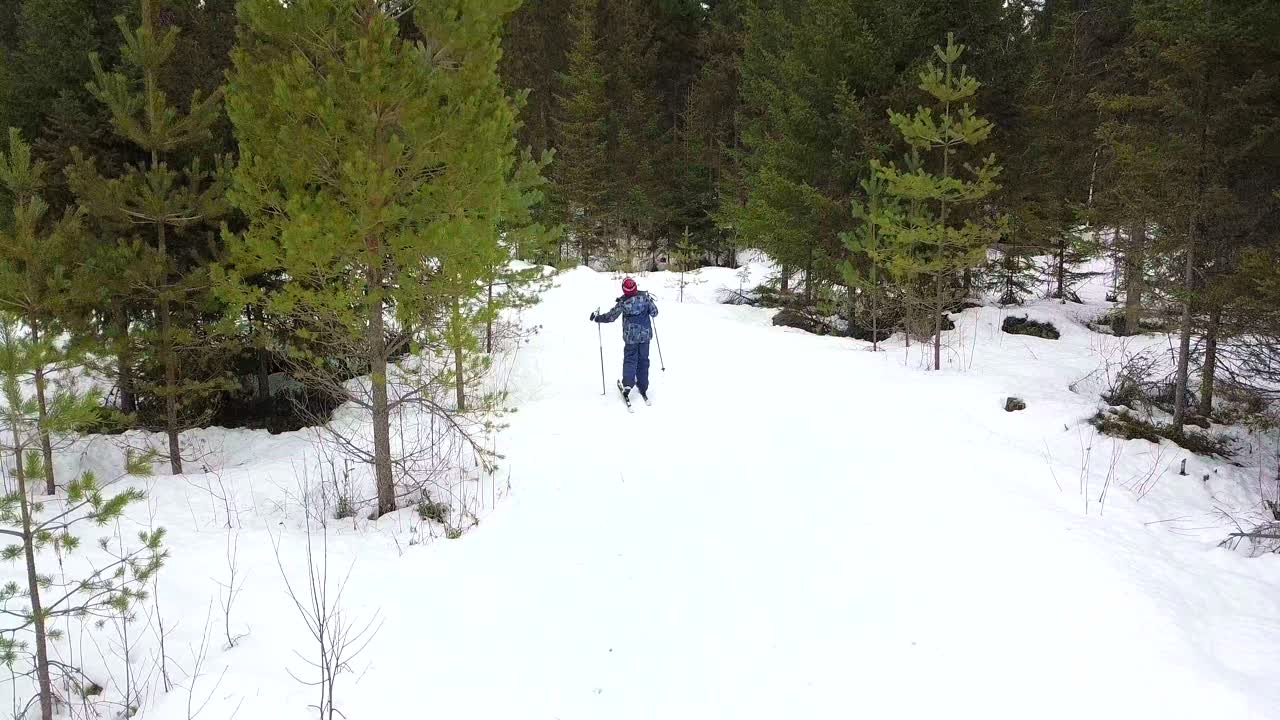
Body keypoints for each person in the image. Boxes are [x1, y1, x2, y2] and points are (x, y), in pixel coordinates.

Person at [591, 277, 659, 401]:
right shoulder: (645, 298)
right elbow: (654, 313)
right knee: (643, 360)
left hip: (630, 337)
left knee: (630, 359)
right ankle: (643, 386)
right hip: (645, 336)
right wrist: (649, 302)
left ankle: (628, 384)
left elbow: (611, 317)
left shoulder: (623, 302)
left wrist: (597, 318)